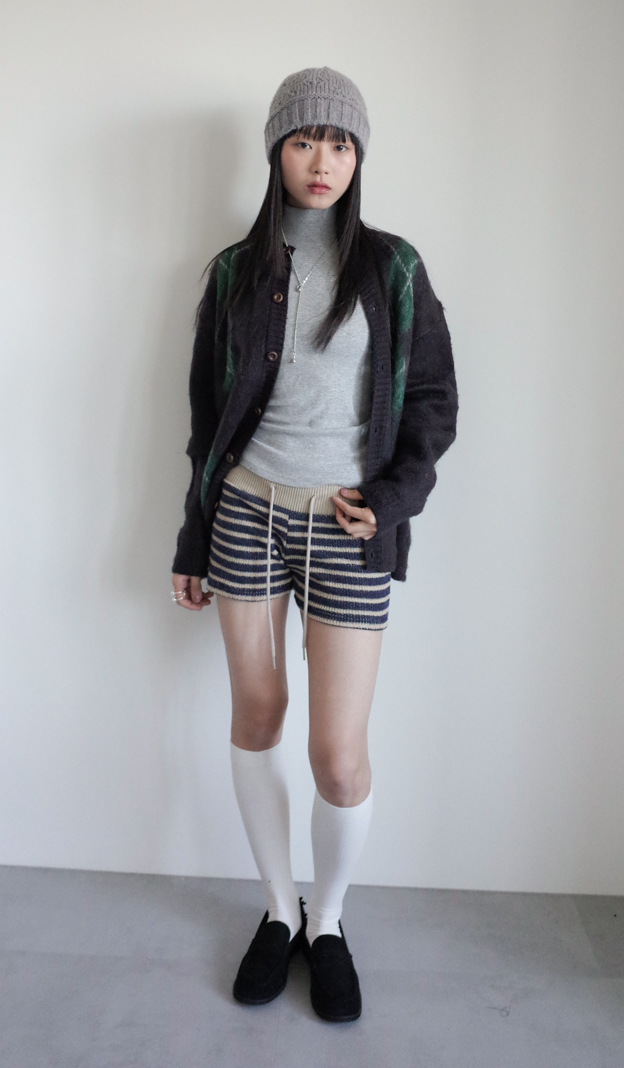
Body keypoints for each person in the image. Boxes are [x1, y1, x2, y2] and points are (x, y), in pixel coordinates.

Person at [171, 67, 457, 1022]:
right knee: (258, 714)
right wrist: (193, 537)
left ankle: (327, 920)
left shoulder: (395, 268)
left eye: (339, 143)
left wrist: (394, 499)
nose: (322, 160)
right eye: (303, 141)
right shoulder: (232, 273)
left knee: (338, 754)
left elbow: (433, 403)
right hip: (247, 511)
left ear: (358, 155)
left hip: (346, 523)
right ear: (277, 153)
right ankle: (277, 909)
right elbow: (207, 417)